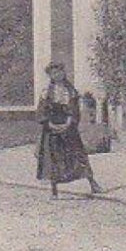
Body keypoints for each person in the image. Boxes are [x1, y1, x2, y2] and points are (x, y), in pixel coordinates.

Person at [37, 61, 101, 200]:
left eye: (59, 71)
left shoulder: (71, 91)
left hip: (69, 127)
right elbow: (42, 111)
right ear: (50, 76)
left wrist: (68, 122)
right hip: (52, 129)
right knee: (55, 159)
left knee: (79, 154)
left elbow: (74, 109)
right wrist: (50, 124)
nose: (57, 75)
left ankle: (93, 183)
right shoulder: (46, 92)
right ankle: (54, 191)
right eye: (54, 73)